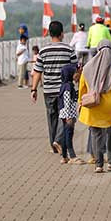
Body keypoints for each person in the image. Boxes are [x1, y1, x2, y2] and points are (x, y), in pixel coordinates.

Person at [79, 39, 111, 173]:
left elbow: (82, 87)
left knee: (96, 135)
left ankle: (99, 165)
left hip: (94, 105)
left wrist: (80, 102)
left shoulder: (88, 66)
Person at [31, 21, 77, 154]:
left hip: (48, 91)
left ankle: (54, 145)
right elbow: (75, 69)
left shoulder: (43, 51)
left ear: (49, 34)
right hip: (64, 90)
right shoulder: (69, 50)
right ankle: (58, 140)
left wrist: (33, 89)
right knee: (66, 115)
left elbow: (37, 72)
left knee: (51, 117)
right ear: (62, 33)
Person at [58, 64, 85, 164]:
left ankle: (64, 156)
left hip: (65, 114)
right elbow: (67, 101)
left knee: (66, 135)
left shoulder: (65, 85)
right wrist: (69, 116)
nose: (77, 74)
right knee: (69, 135)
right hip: (68, 115)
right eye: (75, 73)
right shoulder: (68, 86)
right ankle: (72, 156)